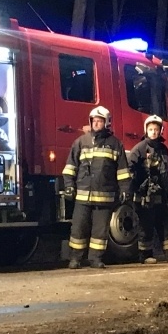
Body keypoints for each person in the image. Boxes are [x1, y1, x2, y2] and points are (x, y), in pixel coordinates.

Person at [63, 106, 131, 269]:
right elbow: (70, 167)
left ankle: (95, 259)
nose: (96, 123)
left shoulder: (115, 144)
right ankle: (75, 259)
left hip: (105, 196)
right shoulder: (80, 142)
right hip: (83, 196)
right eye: (94, 121)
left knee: (100, 233)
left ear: (106, 123)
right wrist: (69, 186)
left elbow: (122, 171)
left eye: (99, 121)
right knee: (78, 228)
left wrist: (125, 190)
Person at [128, 115, 168, 264]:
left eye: (156, 129)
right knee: (145, 226)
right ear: (146, 131)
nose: (153, 132)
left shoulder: (163, 149)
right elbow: (129, 166)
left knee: (164, 225)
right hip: (144, 196)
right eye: (151, 129)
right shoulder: (140, 148)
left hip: (161, 193)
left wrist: (167, 192)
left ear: (161, 131)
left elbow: (166, 172)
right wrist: (137, 183)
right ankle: (145, 255)